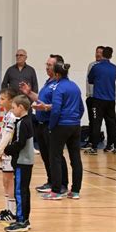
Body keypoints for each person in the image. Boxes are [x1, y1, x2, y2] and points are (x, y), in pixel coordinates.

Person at [20, 54, 68, 194]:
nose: (47, 67)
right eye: (46, 65)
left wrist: (45, 107)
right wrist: (29, 93)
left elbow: (56, 105)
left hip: (50, 124)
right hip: (40, 124)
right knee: (46, 156)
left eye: (50, 65)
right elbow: (41, 100)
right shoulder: (49, 82)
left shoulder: (59, 84)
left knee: (56, 156)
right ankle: (51, 180)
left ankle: (62, 184)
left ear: (58, 67)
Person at [43, 63, 84, 200]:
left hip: (61, 126)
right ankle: (76, 191)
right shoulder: (75, 86)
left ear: (57, 75)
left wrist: (51, 126)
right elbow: (81, 108)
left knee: (55, 157)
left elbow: (56, 110)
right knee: (75, 158)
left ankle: (56, 191)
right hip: (75, 126)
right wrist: (75, 119)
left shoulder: (59, 88)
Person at [3, 95, 34, 232]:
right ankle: (24, 219)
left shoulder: (22, 122)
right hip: (25, 161)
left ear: (21, 108)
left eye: (14, 107)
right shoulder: (27, 120)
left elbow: (20, 143)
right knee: (24, 190)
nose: (13, 110)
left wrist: (7, 150)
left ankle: (22, 220)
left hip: (23, 161)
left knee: (20, 191)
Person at [86, 46, 116, 155]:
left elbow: (90, 80)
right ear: (110, 55)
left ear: (102, 54)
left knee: (96, 123)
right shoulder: (114, 67)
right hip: (111, 99)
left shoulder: (96, 67)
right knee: (112, 124)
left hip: (99, 99)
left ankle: (94, 148)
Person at [0, 88, 18, 222]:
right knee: (5, 182)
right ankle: (8, 209)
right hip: (4, 154)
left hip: (9, 154)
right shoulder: (7, 114)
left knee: (9, 181)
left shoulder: (12, 116)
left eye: (2, 99)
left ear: (11, 101)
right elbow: (1, 134)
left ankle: (13, 212)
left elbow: (8, 136)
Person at [83, 46, 104, 149]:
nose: (98, 54)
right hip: (90, 97)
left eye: (100, 52)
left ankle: (94, 143)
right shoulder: (91, 65)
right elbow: (88, 80)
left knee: (97, 121)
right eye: (96, 52)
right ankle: (90, 141)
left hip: (98, 97)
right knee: (92, 120)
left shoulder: (103, 67)